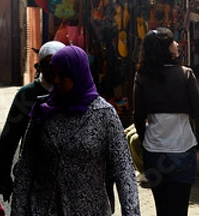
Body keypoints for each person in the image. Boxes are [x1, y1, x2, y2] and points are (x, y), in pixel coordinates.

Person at [11, 45, 141, 216]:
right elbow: (26, 166)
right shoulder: (43, 113)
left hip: (89, 209)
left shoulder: (104, 115)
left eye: (63, 75)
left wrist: (131, 212)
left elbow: (124, 171)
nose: (56, 80)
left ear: (77, 74)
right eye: (53, 74)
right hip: (44, 208)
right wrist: (18, 211)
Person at [133, 27, 199, 216]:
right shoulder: (186, 74)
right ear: (165, 49)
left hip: (154, 154)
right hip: (183, 151)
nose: (176, 44)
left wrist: (144, 141)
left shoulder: (141, 77)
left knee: (162, 210)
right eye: (172, 41)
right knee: (180, 210)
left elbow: (138, 116)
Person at [0, 40, 65, 200]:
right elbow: (10, 136)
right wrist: (2, 175)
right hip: (35, 172)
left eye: (57, 65)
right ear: (40, 66)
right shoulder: (27, 95)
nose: (52, 70)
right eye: (47, 64)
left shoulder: (72, 93)